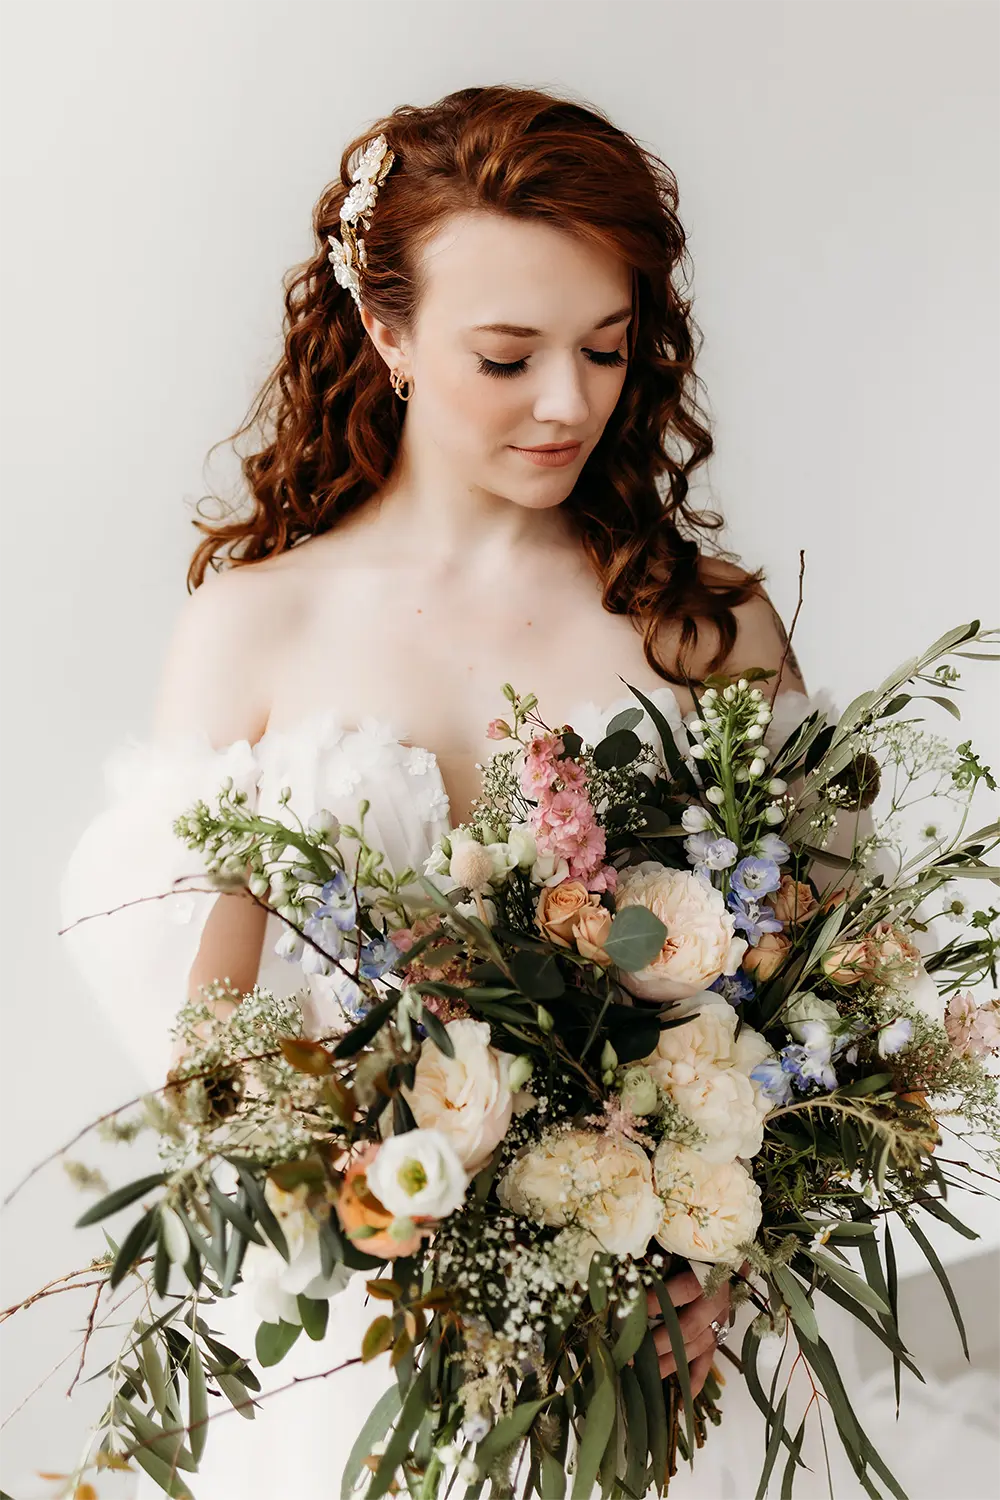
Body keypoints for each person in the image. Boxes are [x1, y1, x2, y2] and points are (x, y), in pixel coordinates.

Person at [60, 84, 820, 1499]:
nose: (568, 402)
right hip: (349, 1351)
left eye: (605, 348)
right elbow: (207, 1071)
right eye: (508, 355)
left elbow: (817, 990)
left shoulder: (704, 627)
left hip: (667, 1351)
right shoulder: (253, 627)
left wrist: (718, 1251)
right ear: (390, 330)